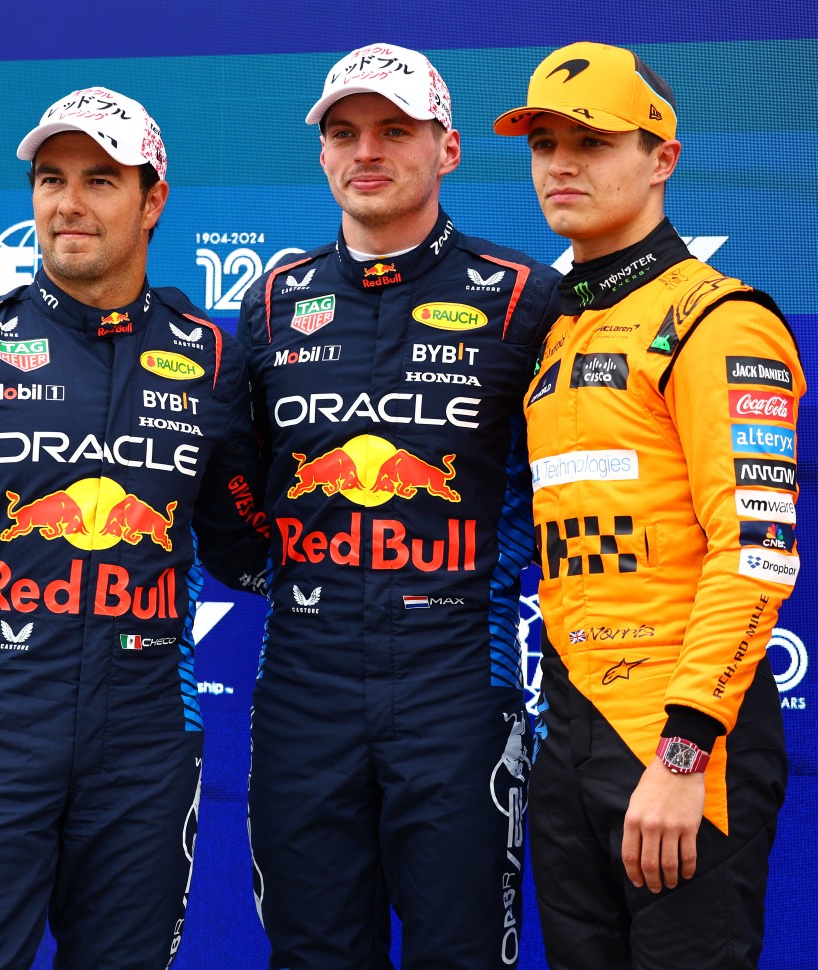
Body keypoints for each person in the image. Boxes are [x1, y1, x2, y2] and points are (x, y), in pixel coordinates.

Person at [0, 86, 268, 970]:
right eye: (50, 178)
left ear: (153, 200)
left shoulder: (213, 359)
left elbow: (246, 542)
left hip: (150, 749)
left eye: (100, 180)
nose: (68, 203)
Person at [235, 42, 562, 969]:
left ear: (447, 149)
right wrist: (297, 577)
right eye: (344, 133)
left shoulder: (522, 299)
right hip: (304, 681)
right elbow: (228, 487)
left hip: (457, 675)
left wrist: (482, 580)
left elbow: (570, 484)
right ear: (324, 154)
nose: (366, 151)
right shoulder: (269, 305)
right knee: (313, 953)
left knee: (461, 953)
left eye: (394, 130)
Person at [492, 42, 805, 969]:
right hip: (572, 727)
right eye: (545, 143)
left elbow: (756, 552)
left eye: (591, 141)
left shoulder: (718, 319)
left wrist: (683, 755)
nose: (562, 164)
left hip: (680, 743)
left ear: (661, 158)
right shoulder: (552, 328)